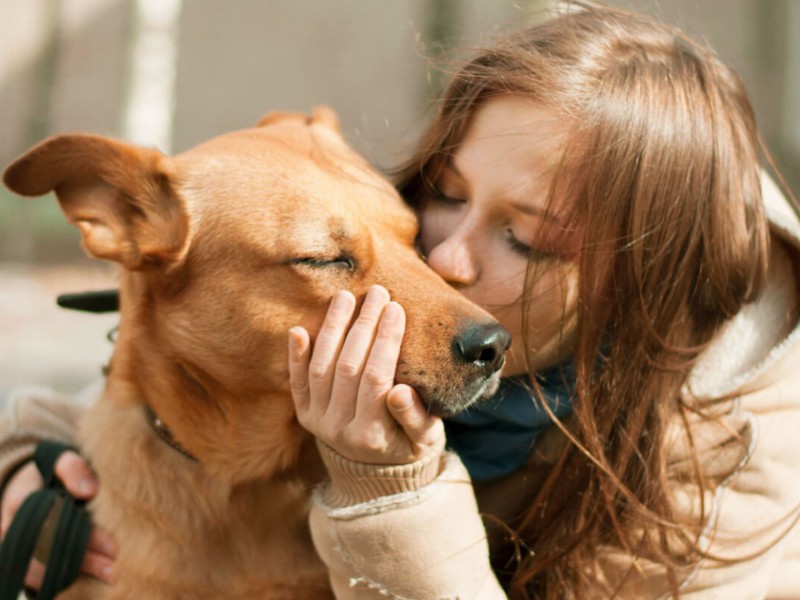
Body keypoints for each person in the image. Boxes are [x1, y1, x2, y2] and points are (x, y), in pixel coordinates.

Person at [2, 2, 800, 597]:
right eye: (441, 196)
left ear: (641, 285)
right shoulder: (308, 301)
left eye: (530, 240)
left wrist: (389, 486)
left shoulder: (724, 480)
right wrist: (19, 470)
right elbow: (152, 380)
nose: (442, 264)